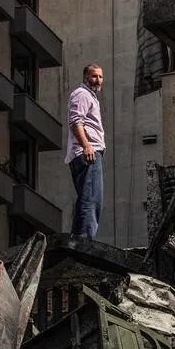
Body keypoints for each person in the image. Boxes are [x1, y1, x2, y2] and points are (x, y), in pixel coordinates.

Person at [66, 63, 105, 240]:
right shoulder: (82, 94)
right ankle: (83, 241)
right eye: (94, 76)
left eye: (100, 76)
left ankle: (80, 238)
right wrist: (87, 145)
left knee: (89, 198)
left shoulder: (90, 97)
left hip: (89, 152)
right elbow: (76, 121)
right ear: (85, 78)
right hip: (88, 152)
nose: (98, 80)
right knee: (91, 199)